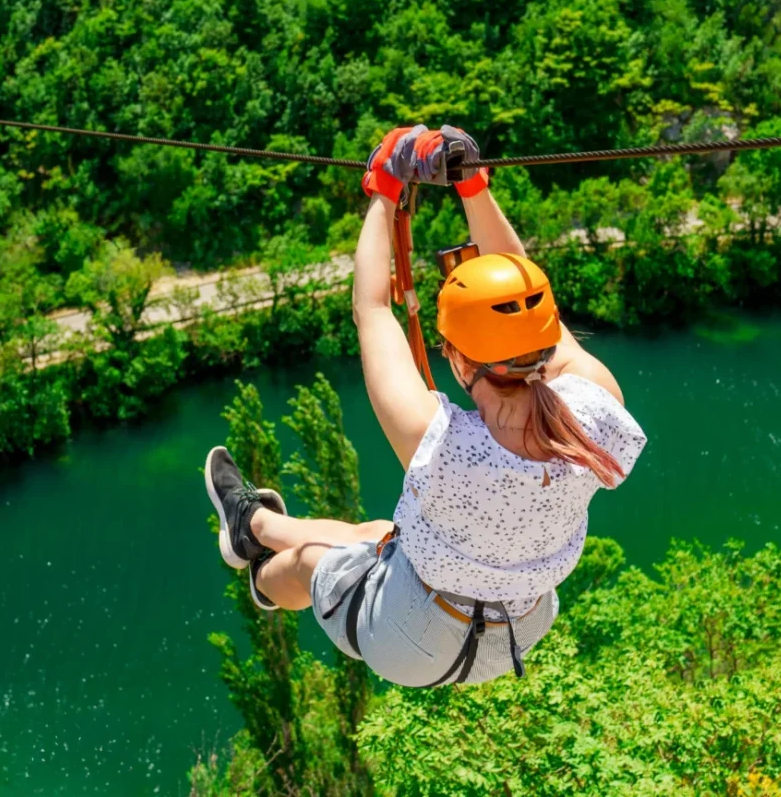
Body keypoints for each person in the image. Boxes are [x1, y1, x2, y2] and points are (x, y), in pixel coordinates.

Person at [204, 126, 647, 687]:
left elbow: (371, 309)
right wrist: (472, 187)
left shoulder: (440, 444)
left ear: (457, 361)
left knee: (311, 563)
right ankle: (254, 524)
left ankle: (262, 577)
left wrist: (384, 191)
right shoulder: (597, 409)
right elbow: (522, 292)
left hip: (413, 640)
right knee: (378, 533)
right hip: (519, 626)